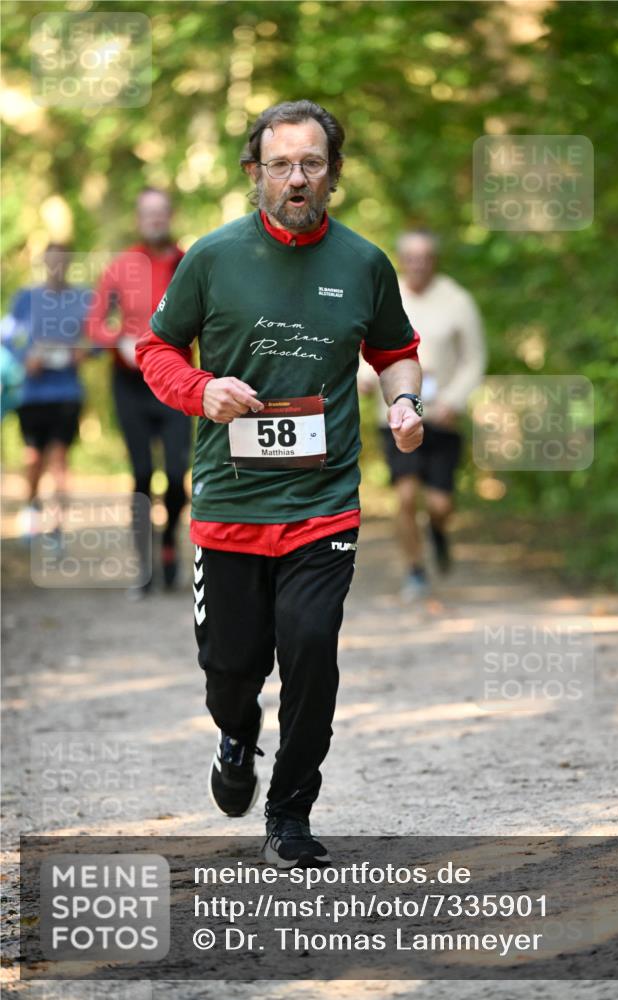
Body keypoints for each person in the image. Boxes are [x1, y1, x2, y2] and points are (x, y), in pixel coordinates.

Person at [136, 99, 424, 867]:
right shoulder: (213, 257)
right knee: (231, 670)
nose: (296, 179)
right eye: (280, 164)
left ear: (332, 174)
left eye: (311, 164)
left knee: (310, 646)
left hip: (321, 502)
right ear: (252, 172)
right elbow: (155, 350)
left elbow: (397, 350)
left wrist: (403, 401)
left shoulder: (362, 263)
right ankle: (236, 735)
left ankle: (289, 813)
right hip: (230, 503)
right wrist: (202, 391)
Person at [363, 229, 486, 599]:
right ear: (402, 260)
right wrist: (365, 378)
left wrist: (454, 400)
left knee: (439, 504)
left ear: (434, 260)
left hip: (441, 416)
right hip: (396, 415)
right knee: (404, 497)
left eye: (425, 257)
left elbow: (474, 359)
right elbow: (365, 346)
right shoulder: (386, 295)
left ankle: (438, 530)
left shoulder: (458, 301)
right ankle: (414, 569)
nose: (418, 264)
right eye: (411, 257)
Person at [86, 188, 190, 593]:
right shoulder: (121, 265)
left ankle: (168, 544)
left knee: (178, 475)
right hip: (130, 384)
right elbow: (94, 322)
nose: (155, 220)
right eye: (147, 214)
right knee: (143, 473)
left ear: (170, 216)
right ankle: (144, 566)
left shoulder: (188, 263)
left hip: (176, 381)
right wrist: (118, 340)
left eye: (161, 213)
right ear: (138, 218)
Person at [1, 243, 89, 539]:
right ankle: (31, 509)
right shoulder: (26, 298)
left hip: (67, 392)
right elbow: (9, 338)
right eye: (51, 261)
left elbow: (100, 336)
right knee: (34, 458)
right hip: (33, 394)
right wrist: (27, 357)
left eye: (62, 261)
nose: (57, 267)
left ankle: (57, 527)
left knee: (60, 459)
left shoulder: (83, 298)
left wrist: (84, 352)